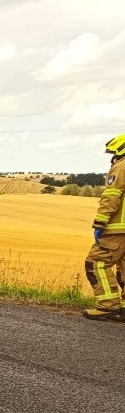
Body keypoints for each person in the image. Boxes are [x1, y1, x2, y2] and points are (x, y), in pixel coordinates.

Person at [84, 133, 125, 321]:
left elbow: (111, 196)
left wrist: (100, 223)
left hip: (118, 229)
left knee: (96, 262)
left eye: (114, 154)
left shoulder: (121, 166)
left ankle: (108, 306)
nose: (113, 158)